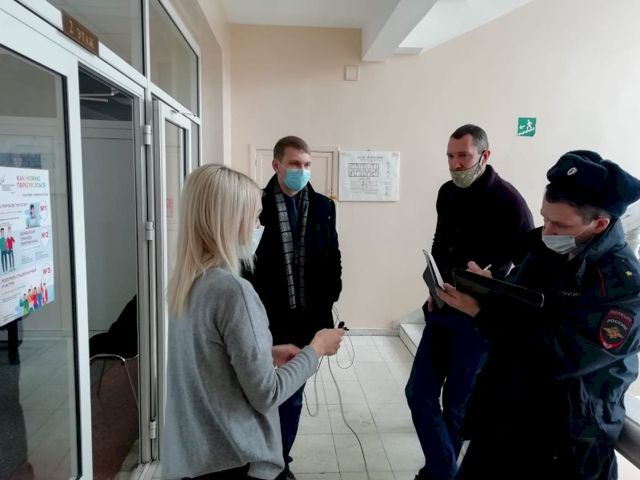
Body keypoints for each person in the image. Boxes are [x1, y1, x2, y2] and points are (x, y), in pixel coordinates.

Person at [437, 151, 640, 479]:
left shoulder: (622, 286)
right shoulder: (545, 248)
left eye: (560, 225)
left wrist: (482, 311)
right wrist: (490, 289)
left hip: (565, 441)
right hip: (507, 415)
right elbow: (521, 306)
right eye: (545, 217)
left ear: (599, 224)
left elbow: (558, 356)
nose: (547, 231)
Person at [161, 164, 344, 480]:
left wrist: (264, 352)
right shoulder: (233, 292)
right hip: (233, 459)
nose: (260, 226)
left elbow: (208, 357)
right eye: (256, 217)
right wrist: (316, 348)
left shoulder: (187, 283)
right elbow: (268, 393)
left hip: (193, 454)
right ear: (231, 221)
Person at [405, 124, 534, 480]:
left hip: (479, 320)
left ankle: (438, 473)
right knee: (418, 392)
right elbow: (439, 241)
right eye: (450, 156)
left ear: (484, 155)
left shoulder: (510, 202)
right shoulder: (447, 193)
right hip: (443, 308)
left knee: (457, 404)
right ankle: (445, 472)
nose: (455, 164)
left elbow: (527, 268)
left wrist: (496, 280)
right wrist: (433, 288)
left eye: (463, 156)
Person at [246, 136, 342, 479]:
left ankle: (280, 462)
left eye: (306, 164)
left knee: (293, 395)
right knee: (260, 393)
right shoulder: (254, 206)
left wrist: (331, 295)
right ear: (276, 165)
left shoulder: (323, 206)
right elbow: (245, 264)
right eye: (295, 164)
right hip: (266, 317)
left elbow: (333, 255)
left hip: (307, 318)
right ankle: (257, 458)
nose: (302, 170)